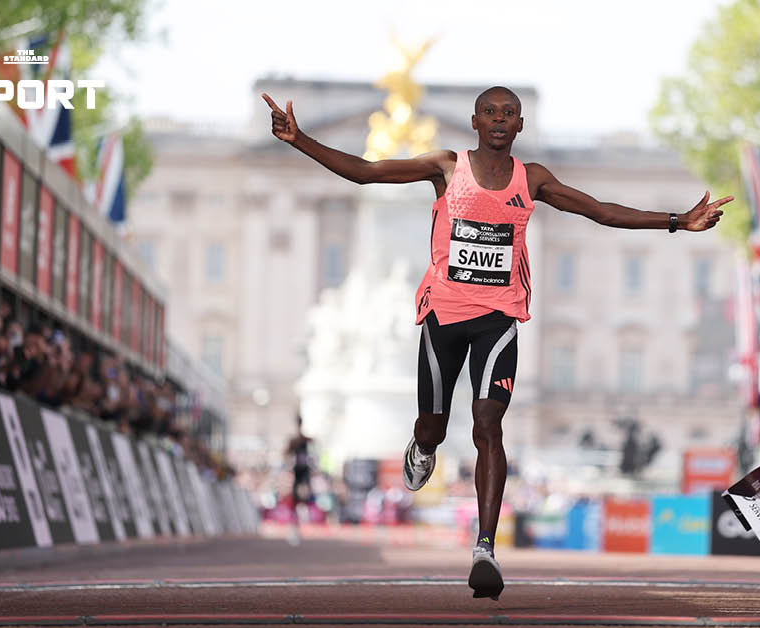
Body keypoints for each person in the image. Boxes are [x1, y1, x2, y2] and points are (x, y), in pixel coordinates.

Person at [261, 86, 730, 599]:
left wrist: (676, 221)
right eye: (490, 113)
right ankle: (423, 446)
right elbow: (367, 172)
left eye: (509, 113)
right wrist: (300, 140)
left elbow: (599, 210)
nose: (500, 120)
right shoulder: (446, 167)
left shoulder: (533, 179)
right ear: (475, 122)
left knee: (488, 426)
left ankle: (484, 547)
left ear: (520, 125)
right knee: (434, 426)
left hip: (498, 319)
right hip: (444, 318)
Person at [285, 415, 315, 544]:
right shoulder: (296, 440)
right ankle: (296, 524)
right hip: (298, 470)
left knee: (303, 495)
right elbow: (287, 452)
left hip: (304, 471)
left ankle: (302, 517)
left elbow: (313, 447)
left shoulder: (304, 439)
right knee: (297, 497)